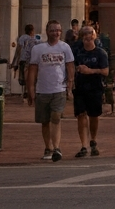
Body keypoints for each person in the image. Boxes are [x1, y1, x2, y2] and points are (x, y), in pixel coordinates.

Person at [25, 20, 76, 162]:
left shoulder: (65, 47)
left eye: (58, 30)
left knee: (56, 117)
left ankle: (56, 147)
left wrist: (70, 85)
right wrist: (30, 90)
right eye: (53, 30)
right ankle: (48, 147)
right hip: (42, 90)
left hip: (59, 88)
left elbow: (70, 66)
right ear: (47, 32)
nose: (56, 33)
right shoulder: (38, 49)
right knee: (45, 121)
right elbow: (32, 70)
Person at [72, 27, 110, 159]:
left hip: (95, 87)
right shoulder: (77, 52)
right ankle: (84, 145)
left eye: (90, 36)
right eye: (85, 36)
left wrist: (91, 71)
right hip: (80, 87)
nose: (88, 38)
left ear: (95, 37)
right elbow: (70, 66)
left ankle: (93, 139)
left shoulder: (100, 53)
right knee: (81, 115)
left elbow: (105, 71)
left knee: (94, 115)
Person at [16, 23, 37, 91]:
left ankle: (24, 92)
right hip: (31, 60)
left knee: (23, 77)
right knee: (30, 77)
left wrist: (16, 61)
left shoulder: (22, 37)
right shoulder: (34, 39)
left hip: (23, 59)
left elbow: (18, 49)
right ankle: (27, 91)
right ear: (32, 31)